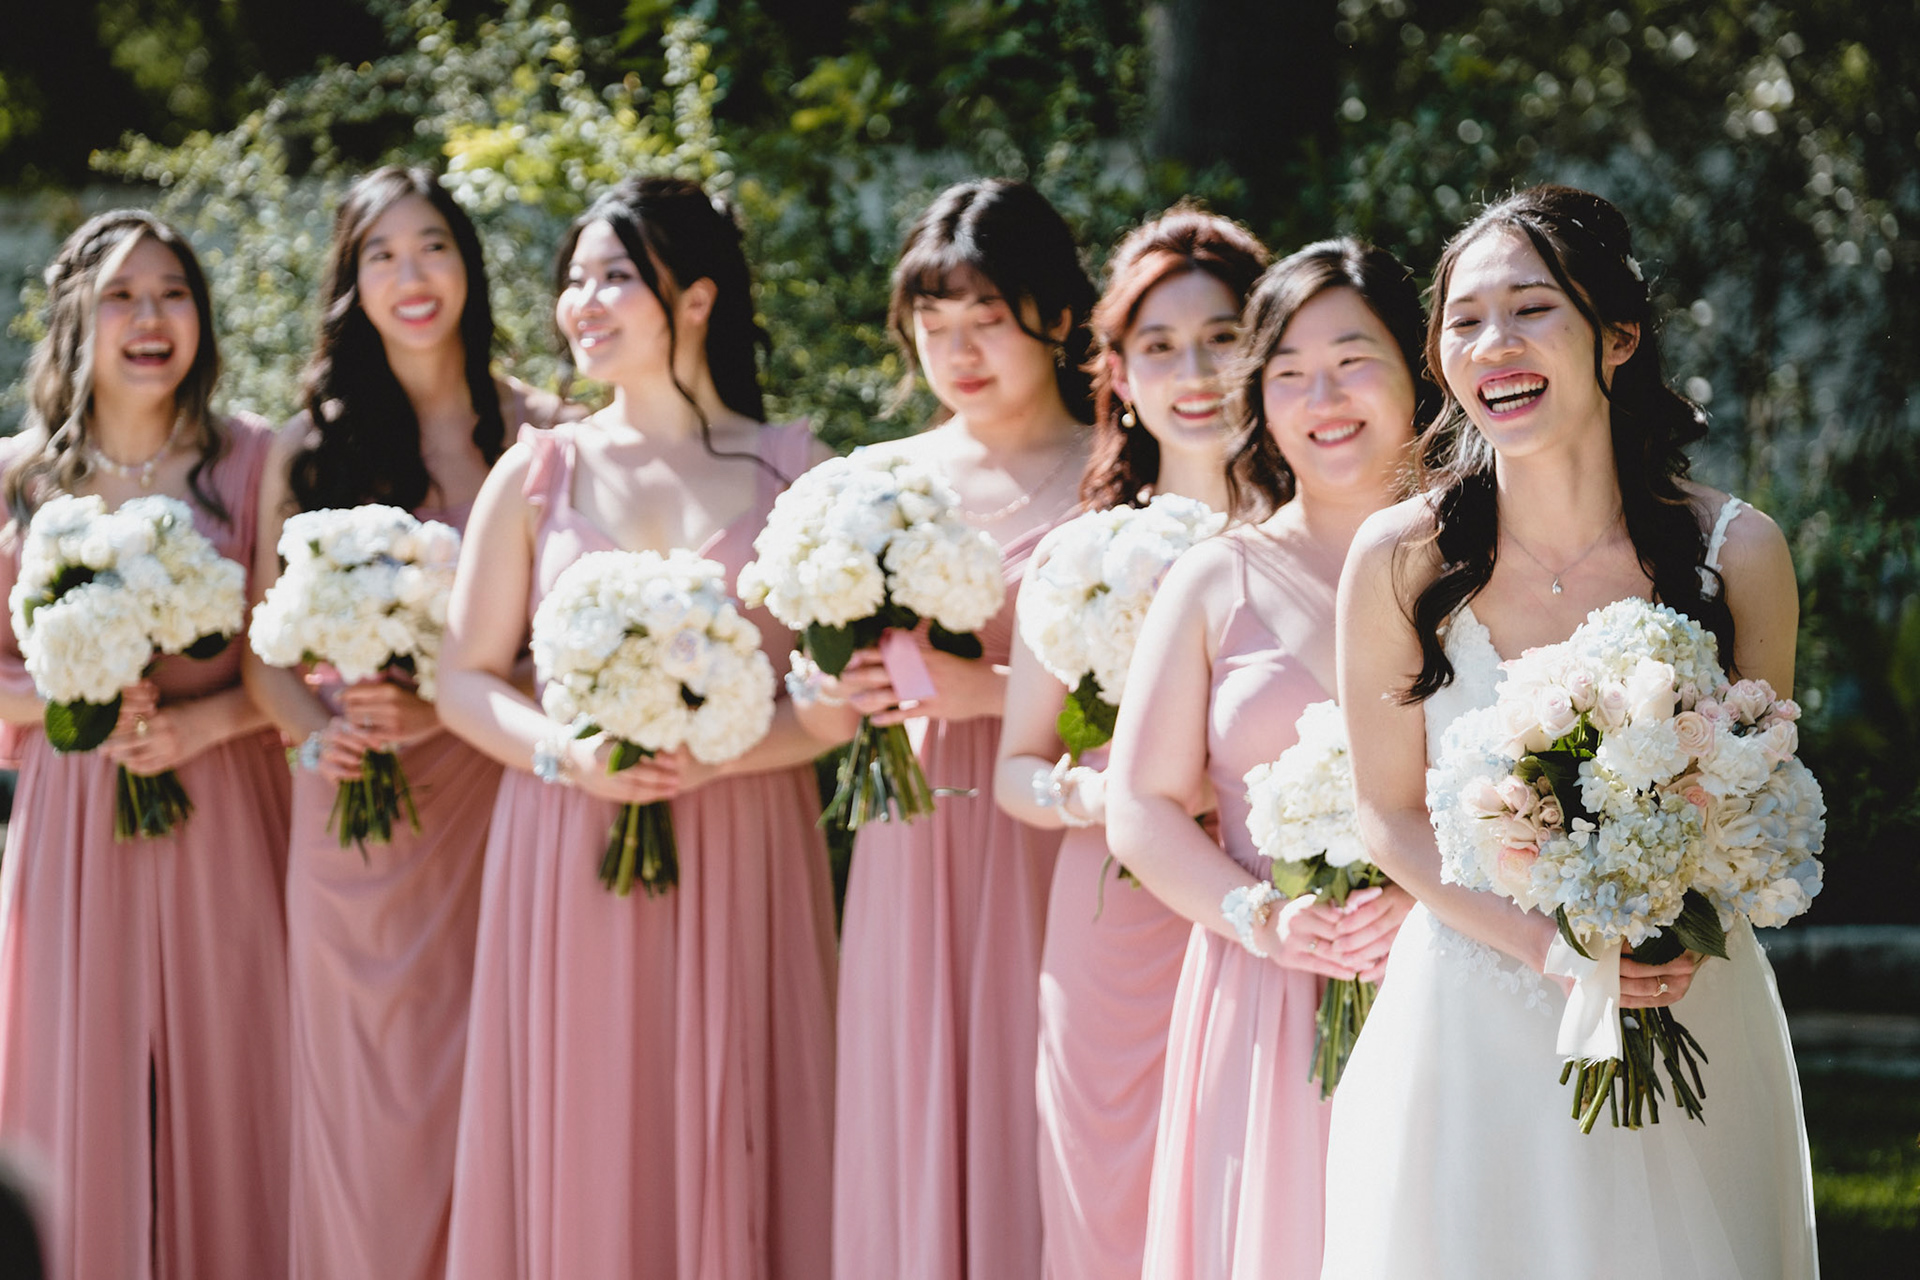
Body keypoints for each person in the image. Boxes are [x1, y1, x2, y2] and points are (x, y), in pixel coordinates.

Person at [1320, 184, 1816, 1278]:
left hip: (1682, 993)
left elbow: (1756, 792)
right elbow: (1388, 813)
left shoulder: (1738, 551)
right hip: (1471, 1013)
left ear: (1618, 335)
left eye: (1532, 308)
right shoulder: (1398, 557)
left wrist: (1661, 927)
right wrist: (1550, 947)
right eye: (1464, 320)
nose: (1493, 342)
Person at [435, 175, 839, 1279]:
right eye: (574, 280)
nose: (583, 302)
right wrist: (569, 756)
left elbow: (835, 703)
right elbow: (463, 680)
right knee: (590, 1117)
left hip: (744, 834)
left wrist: (719, 755)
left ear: (696, 297)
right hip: (571, 834)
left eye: (616, 276)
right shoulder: (538, 469)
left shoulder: (798, 470)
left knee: (739, 1107)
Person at [242, 166, 572, 1280]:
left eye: (431, 245)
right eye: (380, 255)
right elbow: (265, 654)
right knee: (367, 1112)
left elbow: (565, 639)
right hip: (358, 815)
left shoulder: (545, 436)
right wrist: (312, 735)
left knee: (504, 1082)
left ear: (466, 264)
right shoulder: (307, 446)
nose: (410, 274)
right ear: (353, 283)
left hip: (502, 794)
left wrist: (454, 699)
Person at [1105, 239, 1427, 1280]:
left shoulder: (1487, 566)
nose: (1322, 398)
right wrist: (1265, 919)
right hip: (1269, 997)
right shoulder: (1215, 578)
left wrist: (1432, 892)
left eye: (1353, 359)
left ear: (1417, 369)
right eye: (1289, 371)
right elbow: (1140, 805)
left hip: (1455, 973)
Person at [0, 210, 290, 1280]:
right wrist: (68, 688)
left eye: (173, 293)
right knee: (81, 1078)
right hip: (75, 819)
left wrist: (202, 723)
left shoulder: (257, 458)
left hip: (225, 804)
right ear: (76, 314)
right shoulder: (17, 477)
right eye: (122, 294)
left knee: (238, 1070)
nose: (150, 317)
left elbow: (292, 657)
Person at [816, 177, 1095, 1280]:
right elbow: (817, 691)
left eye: (987, 317)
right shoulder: (878, 482)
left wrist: (984, 691)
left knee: (1052, 1093)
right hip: (916, 833)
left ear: (1059, 316)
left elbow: (1177, 700)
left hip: (1061, 827)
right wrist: (844, 686)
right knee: (913, 1092)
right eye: (934, 324)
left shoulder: (1120, 476)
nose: (959, 350)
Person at [993, 206, 1268, 1280]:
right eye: (1159, 345)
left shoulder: (1327, 541)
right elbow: (1016, 769)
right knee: (1110, 1203)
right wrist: (1098, 794)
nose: (1193, 373)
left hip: (1276, 906)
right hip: (1115, 921)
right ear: (1116, 371)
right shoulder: (1081, 555)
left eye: (1222, 337)